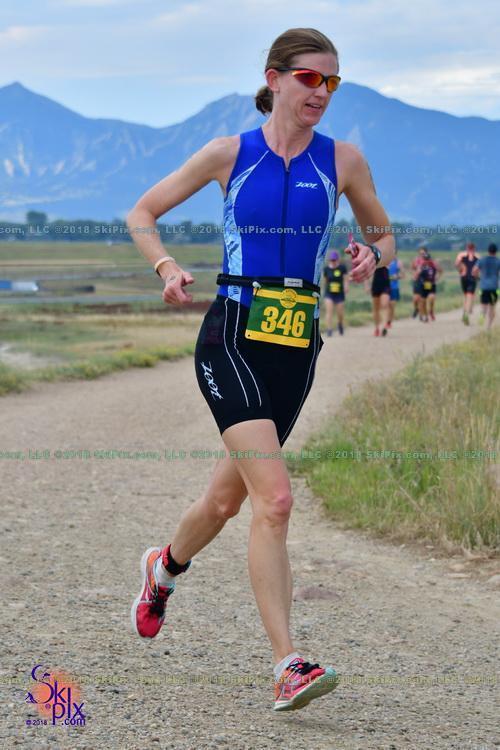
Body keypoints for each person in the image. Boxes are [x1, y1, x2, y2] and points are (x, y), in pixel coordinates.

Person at [126, 27, 395, 713]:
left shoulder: (344, 160)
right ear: (274, 79)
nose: (322, 92)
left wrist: (374, 256)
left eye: (332, 82)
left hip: (297, 343)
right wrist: (166, 266)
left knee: (226, 501)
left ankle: (164, 567)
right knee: (274, 500)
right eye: (310, 78)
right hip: (233, 333)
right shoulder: (229, 153)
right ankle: (287, 664)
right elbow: (142, 213)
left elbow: (383, 233)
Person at [322, 249, 349, 335]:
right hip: (329, 293)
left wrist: (346, 287)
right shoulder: (326, 269)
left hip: (339, 293)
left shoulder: (342, 268)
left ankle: (340, 324)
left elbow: (346, 279)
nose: (333, 261)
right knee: (329, 311)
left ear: (337, 260)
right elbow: (325, 281)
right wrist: (323, 290)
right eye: (331, 260)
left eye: (334, 260)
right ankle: (329, 329)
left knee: (340, 313)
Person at [455, 241, 479, 325]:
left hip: (463, 277)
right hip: (472, 277)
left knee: (466, 295)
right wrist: (477, 276)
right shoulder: (477, 256)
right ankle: (466, 314)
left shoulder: (461, 255)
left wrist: (461, 270)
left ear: (467, 248)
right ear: (474, 248)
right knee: (470, 296)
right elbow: (478, 268)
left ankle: (464, 312)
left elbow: (456, 264)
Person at [477, 243, 499, 329]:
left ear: (488, 251)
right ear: (496, 251)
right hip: (494, 287)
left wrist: (479, 278)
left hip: (483, 287)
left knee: (484, 306)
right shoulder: (498, 261)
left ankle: (482, 315)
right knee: (492, 307)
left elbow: (474, 271)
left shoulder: (482, 260)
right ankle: (488, 326)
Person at [416, 250, 442, 322]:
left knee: (431, 298)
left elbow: (440, 271)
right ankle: (425, 315)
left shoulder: (433, 265)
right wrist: (418, 273)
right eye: (425, 259)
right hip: (423, 284)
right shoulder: (421, 265)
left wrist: (437, 277)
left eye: (428, 259)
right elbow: (416, 275)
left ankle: (430, 310)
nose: (427, 261)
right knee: (423, 301)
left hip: (431, 284)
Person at [367, 265, 391, 336]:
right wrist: (367, 285)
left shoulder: (387, 258)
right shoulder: (372, 259)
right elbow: (367, 271)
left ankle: (384, 327)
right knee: (376, 309)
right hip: (375, 284)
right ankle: (377, 328)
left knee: (384, 304)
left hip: (385, 284)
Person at [410, 246, 428, 318]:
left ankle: (421, 314)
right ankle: (416, 308)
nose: (422, 255)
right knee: (415, 299)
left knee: (422, 299)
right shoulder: (416, 260)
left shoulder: (428, 261)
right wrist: (414, 274)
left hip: (425, 281)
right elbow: (412, 268)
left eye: (423, 253)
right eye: (420, 253)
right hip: (417, 280)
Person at [387, 255, 404, 327]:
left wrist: (396, 276)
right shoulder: (383, 262)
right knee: (386, 305)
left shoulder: (398, 262)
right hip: (384, 287)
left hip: (394, 287)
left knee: (392, 305)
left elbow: (402, 275)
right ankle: (386, 320)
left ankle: (389, 321)